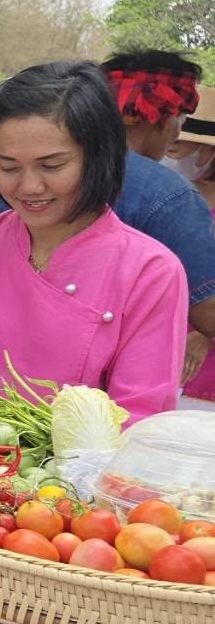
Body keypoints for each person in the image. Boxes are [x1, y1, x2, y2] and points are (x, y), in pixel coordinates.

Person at [0, 61, 187, 430]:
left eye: (51, 165)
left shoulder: (151, 272)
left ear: (99, 156)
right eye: (9, 167)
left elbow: (138, 415)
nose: (29, 187)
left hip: (70, 484)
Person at [97, 50, 215, 387]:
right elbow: (209, 312)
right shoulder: (170, 196)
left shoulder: (39, 177)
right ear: (164, 119)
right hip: (121, 384)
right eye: (181, 119)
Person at [167, 86, 215, 403]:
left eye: (179, 146)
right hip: (161, 344)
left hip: (204, 368)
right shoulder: (167, 196)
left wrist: (207, 336)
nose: (169, 152)